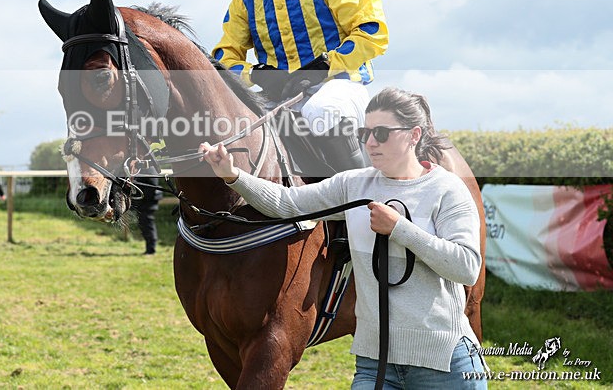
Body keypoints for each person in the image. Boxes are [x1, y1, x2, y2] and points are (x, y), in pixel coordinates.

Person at [199, 87, 486, 388]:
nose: (370, 143)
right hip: (375, 364)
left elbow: (466, 268)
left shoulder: (448, 189)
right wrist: (233, 176)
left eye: (381, 134)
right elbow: (287, 203)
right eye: (365, 133)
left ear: (414, 135)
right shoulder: (353, 184)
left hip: (443, 364)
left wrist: (400, 229)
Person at [213, 0, 389, 174]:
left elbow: (371, 34)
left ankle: (364, 193)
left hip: (339, 87)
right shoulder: (243, 0)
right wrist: (255, 75)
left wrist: (324, 66)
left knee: (321, 110)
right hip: (279, 97)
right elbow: (223, 59)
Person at [132, 168, 163, 255]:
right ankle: (149, 248)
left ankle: (151, 249)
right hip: (143, 203)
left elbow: (151, 187)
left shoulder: (149, 169)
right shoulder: (144, 169)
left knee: (148, 225)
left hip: (148, 203)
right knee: (144, 225)